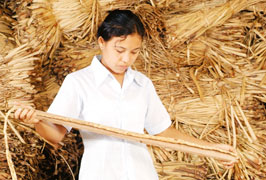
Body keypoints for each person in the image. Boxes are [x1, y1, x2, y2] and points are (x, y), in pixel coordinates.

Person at [14, 9, 237, 180]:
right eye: (119, 50)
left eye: (134, 52)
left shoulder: (142, 84)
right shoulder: (79, 82)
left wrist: (210, 148)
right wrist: (36, 121)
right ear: (102, 43)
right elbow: (55, 135)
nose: (126, 59)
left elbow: (163, 132)